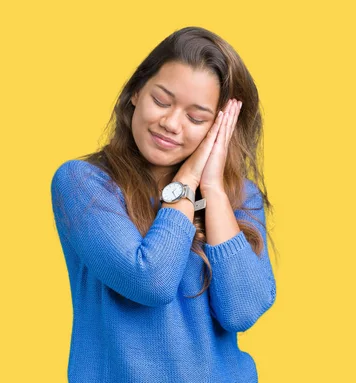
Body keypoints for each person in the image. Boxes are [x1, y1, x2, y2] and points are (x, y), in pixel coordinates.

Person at [50, 26, 277, 383]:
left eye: (196, 117)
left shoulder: (238, 196)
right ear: (136, 91)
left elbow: (242, 311)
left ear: (219, 127)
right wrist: (186, 182)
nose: (171, 123)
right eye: (162, 101)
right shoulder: (84, 183)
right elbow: (150, 281)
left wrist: (213, 188)